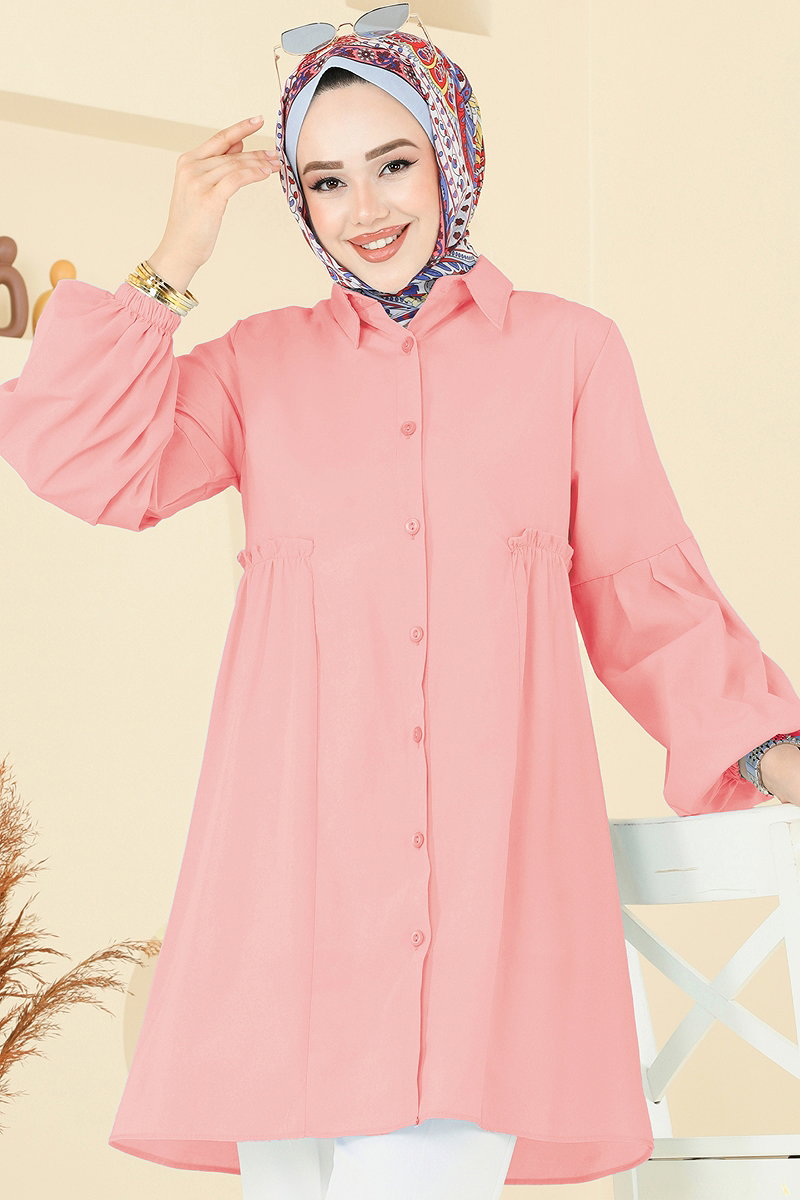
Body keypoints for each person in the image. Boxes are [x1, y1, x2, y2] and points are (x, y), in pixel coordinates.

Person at [1, 12, 800, 1200]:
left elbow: (633, 582)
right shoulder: (257, 365)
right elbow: (80, 461)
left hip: (482, 897)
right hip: (286, 890)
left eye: (392, 163)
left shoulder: (569, 353)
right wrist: (178, 250)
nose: (364, 209)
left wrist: (762, 743)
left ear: (452, 157)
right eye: (325, 180)